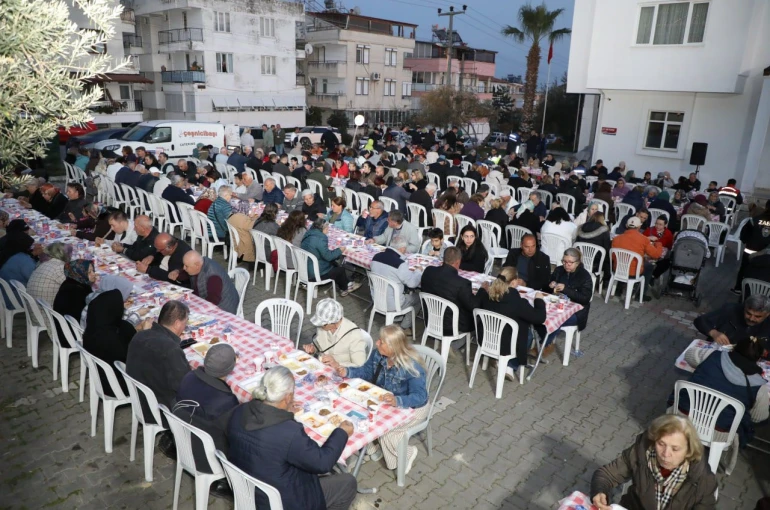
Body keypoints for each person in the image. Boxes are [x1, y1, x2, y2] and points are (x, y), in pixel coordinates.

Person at [226, 366, 357, 510]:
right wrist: (342, 432)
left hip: (249, 491)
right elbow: (323, 463)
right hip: (285, 502)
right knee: (348, 482)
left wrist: (283, 411)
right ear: (287, 397)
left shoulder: (240, 410)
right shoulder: (289, 432)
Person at [330, 325, 427, 476]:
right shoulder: (378, 355)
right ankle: (373, 450)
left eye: (381, 342)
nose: (376, 343)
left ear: (392, 347)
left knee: (386, 431)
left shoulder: (411, 367)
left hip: (413, 408)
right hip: (388, 402)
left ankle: (407, 453)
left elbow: (421, 397)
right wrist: (346, 371)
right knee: (358, 415)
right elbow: (366, 372)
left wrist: (397, 400)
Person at [590, 414, 716, 510]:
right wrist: (599, 491)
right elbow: (607, 474)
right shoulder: (641, 452)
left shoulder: (703, 479)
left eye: (675, 449)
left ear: (688, 450)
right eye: (661, 444)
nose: (666, 454)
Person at [679, 336, 769, 452]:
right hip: (719, 434)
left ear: (733, 348)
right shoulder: (759, 386)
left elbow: (689, 354)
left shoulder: (712, 356)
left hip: (682, 416)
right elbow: (759, 418)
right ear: (759, 358)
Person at [127, 300, 191, 459]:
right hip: (159, 409)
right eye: (185, 323)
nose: (185, 327)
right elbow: (184, 387)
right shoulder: (170, 349)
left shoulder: (140, 335)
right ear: (177, 323)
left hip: (139, 399)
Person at [477, 266, 547, 379]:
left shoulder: (488, 295)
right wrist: (539, 300)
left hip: (485, 338)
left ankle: (499, 361)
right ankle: (511, 365)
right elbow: (539, 318)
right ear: (514, 282)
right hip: (506, 345)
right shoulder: (518, 302)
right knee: (527, 334)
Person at [83, 289, 145, 396]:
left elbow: (124, 329)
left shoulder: (93, 328)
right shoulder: (110, 340)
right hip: (117, 386)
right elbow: (134, 355)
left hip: (101, 379)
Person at [420, 247, 480, 338]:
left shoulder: (428, 271)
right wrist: (482, 291)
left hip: (431, 319)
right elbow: (473, 306)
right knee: (479, 317)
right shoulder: (462, 283)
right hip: (451, 326)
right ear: (458, 262)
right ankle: (454, 345)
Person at [544, 248, 594, 354]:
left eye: (570, 262)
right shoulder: (559, 270)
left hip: (577, 312)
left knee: (557, 320)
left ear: (578, 263)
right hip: (558, 305)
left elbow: (585, 298)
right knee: (542, 315)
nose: (567, 265)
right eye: (564, 261)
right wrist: (550, 285)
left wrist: (566, 289)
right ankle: (542, 341)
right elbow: (548, 288)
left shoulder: (584, 276)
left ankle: (543, 345)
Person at [370, 238, 421, 333]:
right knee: (418, 298)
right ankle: (404, 327)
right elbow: (412, 284)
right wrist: (418, 271)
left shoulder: (376, 257)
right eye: (405, 249)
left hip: (376, 299)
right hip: (393, 304)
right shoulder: (400, 264)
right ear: (401, 249)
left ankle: (398, 318)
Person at [301, 218, 361, 297]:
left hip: (305, 269)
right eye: (328, 228)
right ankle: (345, 288)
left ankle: (345, 282)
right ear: (324, 228)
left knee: (334, 263)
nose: (328, 230)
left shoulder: (308, 234)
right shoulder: (320, 238)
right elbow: (328, 257)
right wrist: (339, 250)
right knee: (340, 270)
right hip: (315, 273)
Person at [611, 216, 664, 301]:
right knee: (649, 266)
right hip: (633, 272)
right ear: (639, 227)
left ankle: (618, 289)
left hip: (617, 269)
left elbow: (613, 257)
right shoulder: (643, 240)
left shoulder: (616, 239)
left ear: (626, 225)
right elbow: (656, 255)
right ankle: (640, 294)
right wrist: (658, 244)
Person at [303, 298, 367, 367]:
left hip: (341, 373)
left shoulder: (354, 335)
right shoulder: (323, 327)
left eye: (323, 324)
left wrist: (336, 364)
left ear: (334, 322)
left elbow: (360, 365)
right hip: (322, 367)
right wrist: (313, 348)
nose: (320, 326)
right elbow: (319, 344)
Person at [693, 295, 770, 345]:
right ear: (744, 307)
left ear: (767, 314)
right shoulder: (731, 309)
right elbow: (700, 320)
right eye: (748, 313)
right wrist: (714, 333)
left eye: (758, 316)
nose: (751, 318)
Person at [53, 259, 97, 332]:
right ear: (79, 273)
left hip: (64, 329)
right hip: (75, 332)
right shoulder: (79, 291)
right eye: (89, 272)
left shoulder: (69, 282)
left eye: (93, 270)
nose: (93, 274)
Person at [0, 233, 41, 307]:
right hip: (13, 299)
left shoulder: (16, 256)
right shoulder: (25, 261)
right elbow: (37, 280)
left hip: (5, 295)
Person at [576, 211, 612, 277]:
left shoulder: (581, 227)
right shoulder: (604, 230)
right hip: (595, 262)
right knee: (608, 257)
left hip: (580, 260)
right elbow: (607, 248)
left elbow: (576, 244)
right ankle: (605, 281)